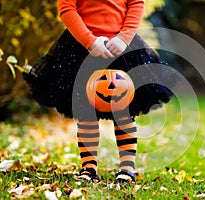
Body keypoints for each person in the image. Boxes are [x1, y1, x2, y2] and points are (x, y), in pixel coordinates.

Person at [24, 0, 174, 183]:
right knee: (86, 112)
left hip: (121, 46)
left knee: (124, 110)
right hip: (81, 46)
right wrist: (90, 41)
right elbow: (67, 8)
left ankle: (127, 167)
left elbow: (136, 4)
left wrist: (124, 38)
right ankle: (88, 167)